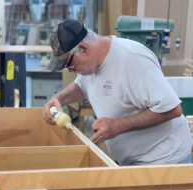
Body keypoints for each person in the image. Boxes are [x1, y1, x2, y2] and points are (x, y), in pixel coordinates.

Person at [43, 19, 192, 166]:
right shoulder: (90, 64)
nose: (70, 70)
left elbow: (172, 109)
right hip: (132, 162)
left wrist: (118, 126)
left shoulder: (134, 60)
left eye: (69, 63)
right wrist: (58, 99)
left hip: (163, 161)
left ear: (83, 49)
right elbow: (81, 86)